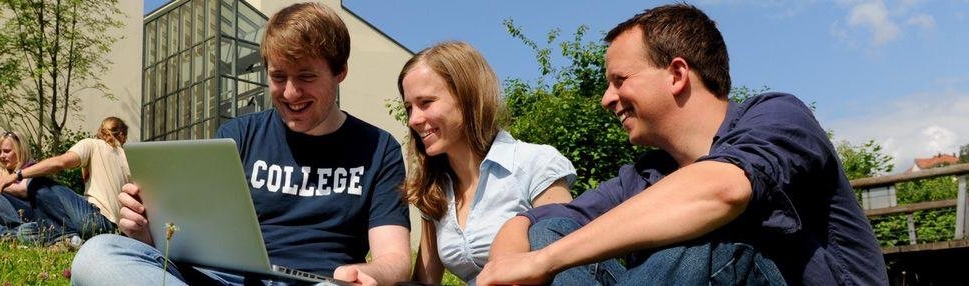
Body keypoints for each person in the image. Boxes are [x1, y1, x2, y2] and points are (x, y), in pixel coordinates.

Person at [477, 4, 887, 286]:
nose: (606, 98)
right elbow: (534, 221)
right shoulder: (645, 176)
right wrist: (510, 262)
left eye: (619, 80)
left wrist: (544, 262)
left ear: (676, 74)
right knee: (553, 230)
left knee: (702, 250)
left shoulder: (778, 116)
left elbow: (722, 189)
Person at [70, 2, 411, 285]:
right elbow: (190, 234)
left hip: (318, 281)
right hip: (220, 279)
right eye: (278, 77)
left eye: (306, 77)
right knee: (97, 255)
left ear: (340, 72)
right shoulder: (238, 136)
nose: (290, 94)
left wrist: (369, 273)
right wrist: (146, 231)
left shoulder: (378, 149)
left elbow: (394, 258)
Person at [400, 42, 575, 285]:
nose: (414, 119)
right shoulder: (434, 190)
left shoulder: (536, 164)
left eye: (426, 102)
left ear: (467, 97)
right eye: (409, 108)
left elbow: (568, 263)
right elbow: (425, 281)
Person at [0, 117, 129, 243]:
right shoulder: (129, 158)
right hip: (115, 231)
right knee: (26, 229)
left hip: (94, 221)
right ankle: (65, 236)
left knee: (38, 182)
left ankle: (65, 236)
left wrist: (16, 175)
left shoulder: (92, 145)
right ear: (122, 135)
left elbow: (60, 163)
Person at [0, 131, 37, 240]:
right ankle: (8, 235)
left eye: (7, 151)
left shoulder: (30, 168)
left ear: (20, 150)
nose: (2, 156)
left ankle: (20, 228)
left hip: (27, 214)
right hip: (3, 219)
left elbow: (23, 190)